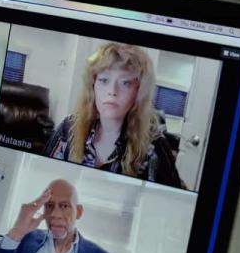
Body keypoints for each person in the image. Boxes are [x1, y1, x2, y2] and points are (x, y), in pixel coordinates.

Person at [43, 42, 184, 188]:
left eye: (125, 83)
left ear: (139, 92)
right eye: (104, 80)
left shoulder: (155, 147)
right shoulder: (69, 127)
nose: (112, 91)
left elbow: (169, 204)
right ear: (93, 87)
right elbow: (41, 178)